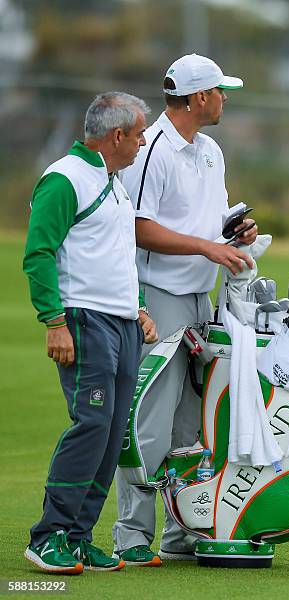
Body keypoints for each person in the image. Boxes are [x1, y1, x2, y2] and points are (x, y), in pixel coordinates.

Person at [112, 54, 256, 566]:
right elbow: (138, 227)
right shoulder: (153, 147)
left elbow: (209, 221)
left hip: (201, 297)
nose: (224, 99)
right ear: (198, 98)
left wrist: (233, 235)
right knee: (149, 416)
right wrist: (206, 248)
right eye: (219, 91)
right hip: (159, 296)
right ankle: (130, 536)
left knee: (191, 425)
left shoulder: (211, 149)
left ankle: (182, 530)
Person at [23, 92, 158, 574]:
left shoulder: (114, 182)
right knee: (92, 425)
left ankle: (78, 539)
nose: (144, 142)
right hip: (84, 321)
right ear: (117, 135)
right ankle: (49, 536)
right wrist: (54, 322)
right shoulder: (65, 178)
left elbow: (117, 254)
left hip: (121, 325)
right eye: (140, 133)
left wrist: (138, 308)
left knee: (113, 433)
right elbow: (39, 253)